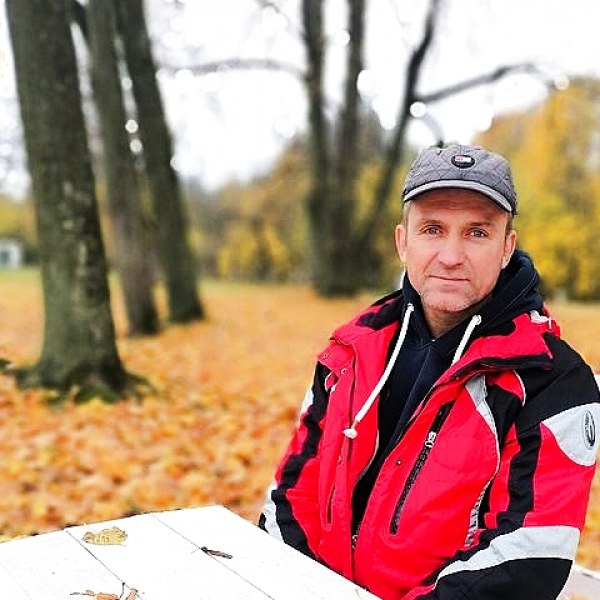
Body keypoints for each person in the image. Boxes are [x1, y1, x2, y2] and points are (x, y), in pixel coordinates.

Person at [259, 144, 600, 599]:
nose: (451, 255)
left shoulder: (554, 382)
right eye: (433, 229)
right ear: (403, 242)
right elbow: (291, 491)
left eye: (477, 232)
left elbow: (526, 563)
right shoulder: (351, 349)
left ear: (506, 247)